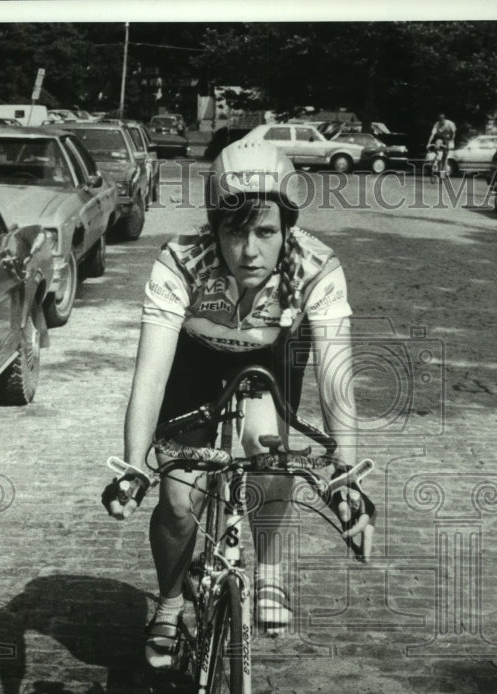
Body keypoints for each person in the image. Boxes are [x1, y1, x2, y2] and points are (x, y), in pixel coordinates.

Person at [102, 141, 374, 667]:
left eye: (266, 232)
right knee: (179, 499)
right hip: (194, 365)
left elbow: (337, 380)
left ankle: (268, 571)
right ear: (213, 228)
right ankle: (170, 599)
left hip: (267, 365)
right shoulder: (180, 259)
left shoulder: (317, 267)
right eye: (234, 231)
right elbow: (151, 374)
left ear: (288, 229)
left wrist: (347, 478)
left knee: (266, 449)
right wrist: (134, 466)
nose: (249, 250)